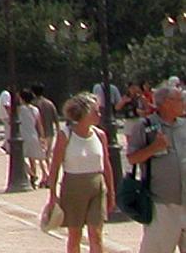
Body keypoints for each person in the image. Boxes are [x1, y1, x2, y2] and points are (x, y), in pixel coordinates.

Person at [44, 93, 115, 253]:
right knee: (75, 235)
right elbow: (55, 167)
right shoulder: (66, 135)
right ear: (82, 113)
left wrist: (111, 192)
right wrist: (53, 195)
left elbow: (106, 165)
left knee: (96, 234)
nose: (99, 114)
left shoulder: (100, 135)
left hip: (97, 188)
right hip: (73, 188)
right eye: (95, 111)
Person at [126, 78, 186, 253]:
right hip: (162, 204)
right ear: (166, 103)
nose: (184, 103)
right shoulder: (146, 126)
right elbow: (132, 158)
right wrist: (154, 148)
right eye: (180, 100)